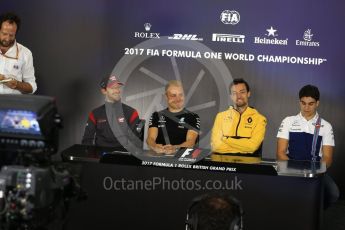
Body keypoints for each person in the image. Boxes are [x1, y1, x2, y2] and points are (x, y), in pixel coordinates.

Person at [277, 84, 339, 208]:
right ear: (299, 102)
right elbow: (280, 153)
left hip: (315, 171)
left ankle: (314, 215)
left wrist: (313, 172)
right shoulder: (288, 121)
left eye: (310, 103)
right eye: (303, 103)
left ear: (317, 103)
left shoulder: (326, 126)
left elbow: (327, 158)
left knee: (333, 193)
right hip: (291, 169)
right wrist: (297, 171)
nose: (306, 107)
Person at [211, 78, 267, 162]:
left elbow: (252, 146)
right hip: (223, 166)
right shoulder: (220, 116)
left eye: (242, 92)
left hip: (248, 167)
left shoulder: (260, 119)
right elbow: (216, 146)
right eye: (234, 93)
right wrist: (244, 147)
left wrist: (226, 139)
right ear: (230, 96)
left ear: (248, 94)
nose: (238, 96)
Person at [82, 75, 143, 149]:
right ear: (104, 91)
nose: (117, 91)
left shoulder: (131, 112)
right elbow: (87, 139)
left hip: (123, 156)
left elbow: (135, 141)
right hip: (100, 156)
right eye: (113, 88)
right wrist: (89, 156)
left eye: (118, 87)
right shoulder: (95, 113)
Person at [146, 80, 200, 154]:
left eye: (181, 95)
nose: (178, 99)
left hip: (183, 160)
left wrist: (175, 148)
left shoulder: (193, 117)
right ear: (166, 96)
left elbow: (191, 142)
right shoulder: (156, 115)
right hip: (159, 158)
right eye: (173, 95)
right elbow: (150, 139)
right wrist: (154, 146)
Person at [0, 12, 37, 94]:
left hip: (13, 104)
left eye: (11, 35)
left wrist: (17, 84)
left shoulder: (25, 53)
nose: (7, 38)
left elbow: (32, 87)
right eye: (4, 34)